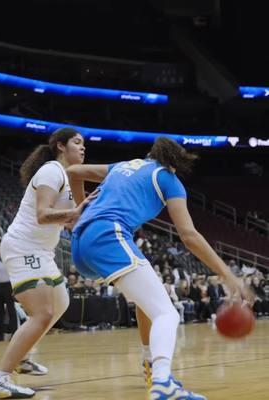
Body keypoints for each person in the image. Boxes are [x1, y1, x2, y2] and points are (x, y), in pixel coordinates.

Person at [68, 137, 252, 400]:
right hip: (109, 235)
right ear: (175, 164)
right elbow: (189, 236)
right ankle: (163, 382)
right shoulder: (168, 179)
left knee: (148, 300)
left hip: (81, 244)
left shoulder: (123, 166)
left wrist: (79, 208)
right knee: (168, 313)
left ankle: (151, 363)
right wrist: (228, 275)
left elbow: (73, 172)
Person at [0, 127, 96, 399]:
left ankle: (21, 356)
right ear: (60, 145)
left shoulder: (68, 179)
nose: (83, 148)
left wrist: (82, 219)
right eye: (77, 143)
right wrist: (74, 212)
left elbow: (65, 221)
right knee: (42, 313)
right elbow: (43, 214)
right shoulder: (51, 171)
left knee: (61, 304)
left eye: (84, 144)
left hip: (42, 251)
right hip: (24, 246)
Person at [0, 252, 18, 342]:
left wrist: (15, 289)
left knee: (11, 312)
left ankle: (14, 334)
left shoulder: (10, 262)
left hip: (9, 287)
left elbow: (15, 276)